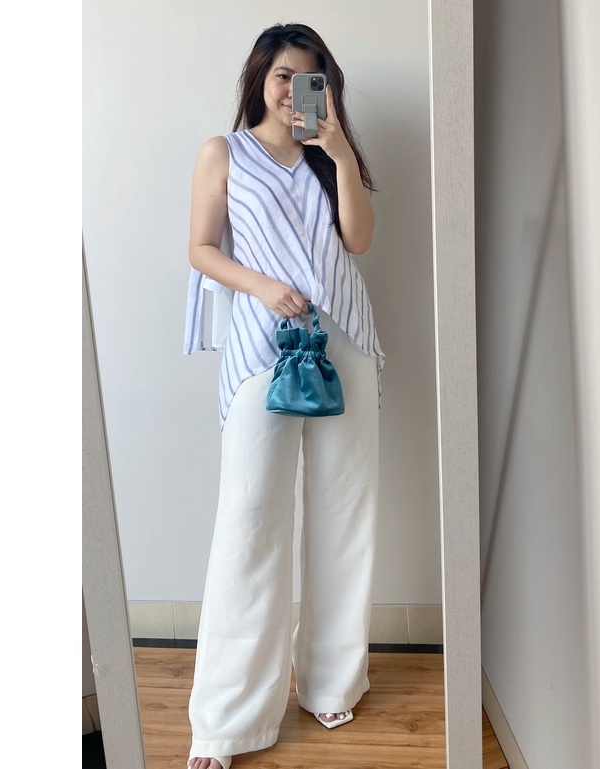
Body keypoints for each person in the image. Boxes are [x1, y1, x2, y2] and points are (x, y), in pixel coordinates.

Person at [182, 22, 385, 769]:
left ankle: (332, 680)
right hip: (260, 351)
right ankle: (227, 719)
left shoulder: (332, 156)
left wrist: (339, 152)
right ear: (259, 79)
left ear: (322, 87)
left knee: (344, 512)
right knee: (249, 522)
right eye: (281, 76)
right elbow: (201, 248)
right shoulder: (223, 153)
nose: (292, 90)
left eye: (307, 78)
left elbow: (358, 242)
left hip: (345, 341)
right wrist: (264, 286)